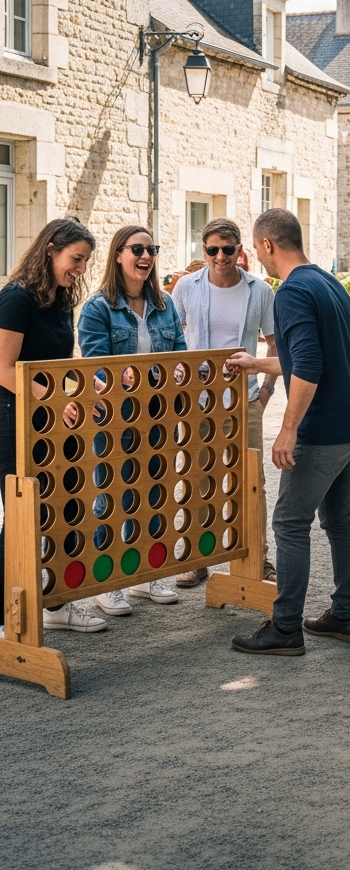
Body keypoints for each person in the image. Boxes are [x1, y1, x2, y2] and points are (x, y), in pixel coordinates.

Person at [229, 209, 350, 656]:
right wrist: (257, 363)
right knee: (339, 520)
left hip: (325, 428)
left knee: (290, 523)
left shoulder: (291, 292)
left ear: (269, 245)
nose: (255, 255)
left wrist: (287, 430)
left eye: (255, 247)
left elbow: (309, 368)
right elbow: (308, 358)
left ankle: (286, 626)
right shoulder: (327, 281)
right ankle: (344, 616)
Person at [0, 219, 104, 635]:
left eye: (84, 261)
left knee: (66, 508)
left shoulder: (60, 298)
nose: (80, 268)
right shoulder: (15, 299)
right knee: (22, 518)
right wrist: (56, 400)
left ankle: (56, 604)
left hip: (50, 421)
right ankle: (8, 620)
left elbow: (56, 363)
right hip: (10, 417)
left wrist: (89, 383)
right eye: (75, 259)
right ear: (50, 250)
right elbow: (4, 369)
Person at [78, 225, 186, 614]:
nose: (145, 256)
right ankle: (108, 580)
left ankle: (148, 572)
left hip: (157, 415)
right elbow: (95, 365)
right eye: (137, 248)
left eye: (151, 249)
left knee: (155, 493)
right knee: (113, 496)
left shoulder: (165, 303)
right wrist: (121, 375)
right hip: (114, 417)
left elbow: (179, 353)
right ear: (118, 255)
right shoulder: (97, 307)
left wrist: (175, 372)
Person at [172, 217, 278, 586]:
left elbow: (274, 343)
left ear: (239, 251)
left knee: (251, 481)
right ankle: (198, 557)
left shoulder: (259, 291)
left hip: (243, 401)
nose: (220, 256)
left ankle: (258, 557)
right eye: (213, 250)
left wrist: (266, 391)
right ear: (204, 250)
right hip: (197, 402)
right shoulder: (186, 287)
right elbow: (173, 339)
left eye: (227, 249)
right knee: (199, 479)